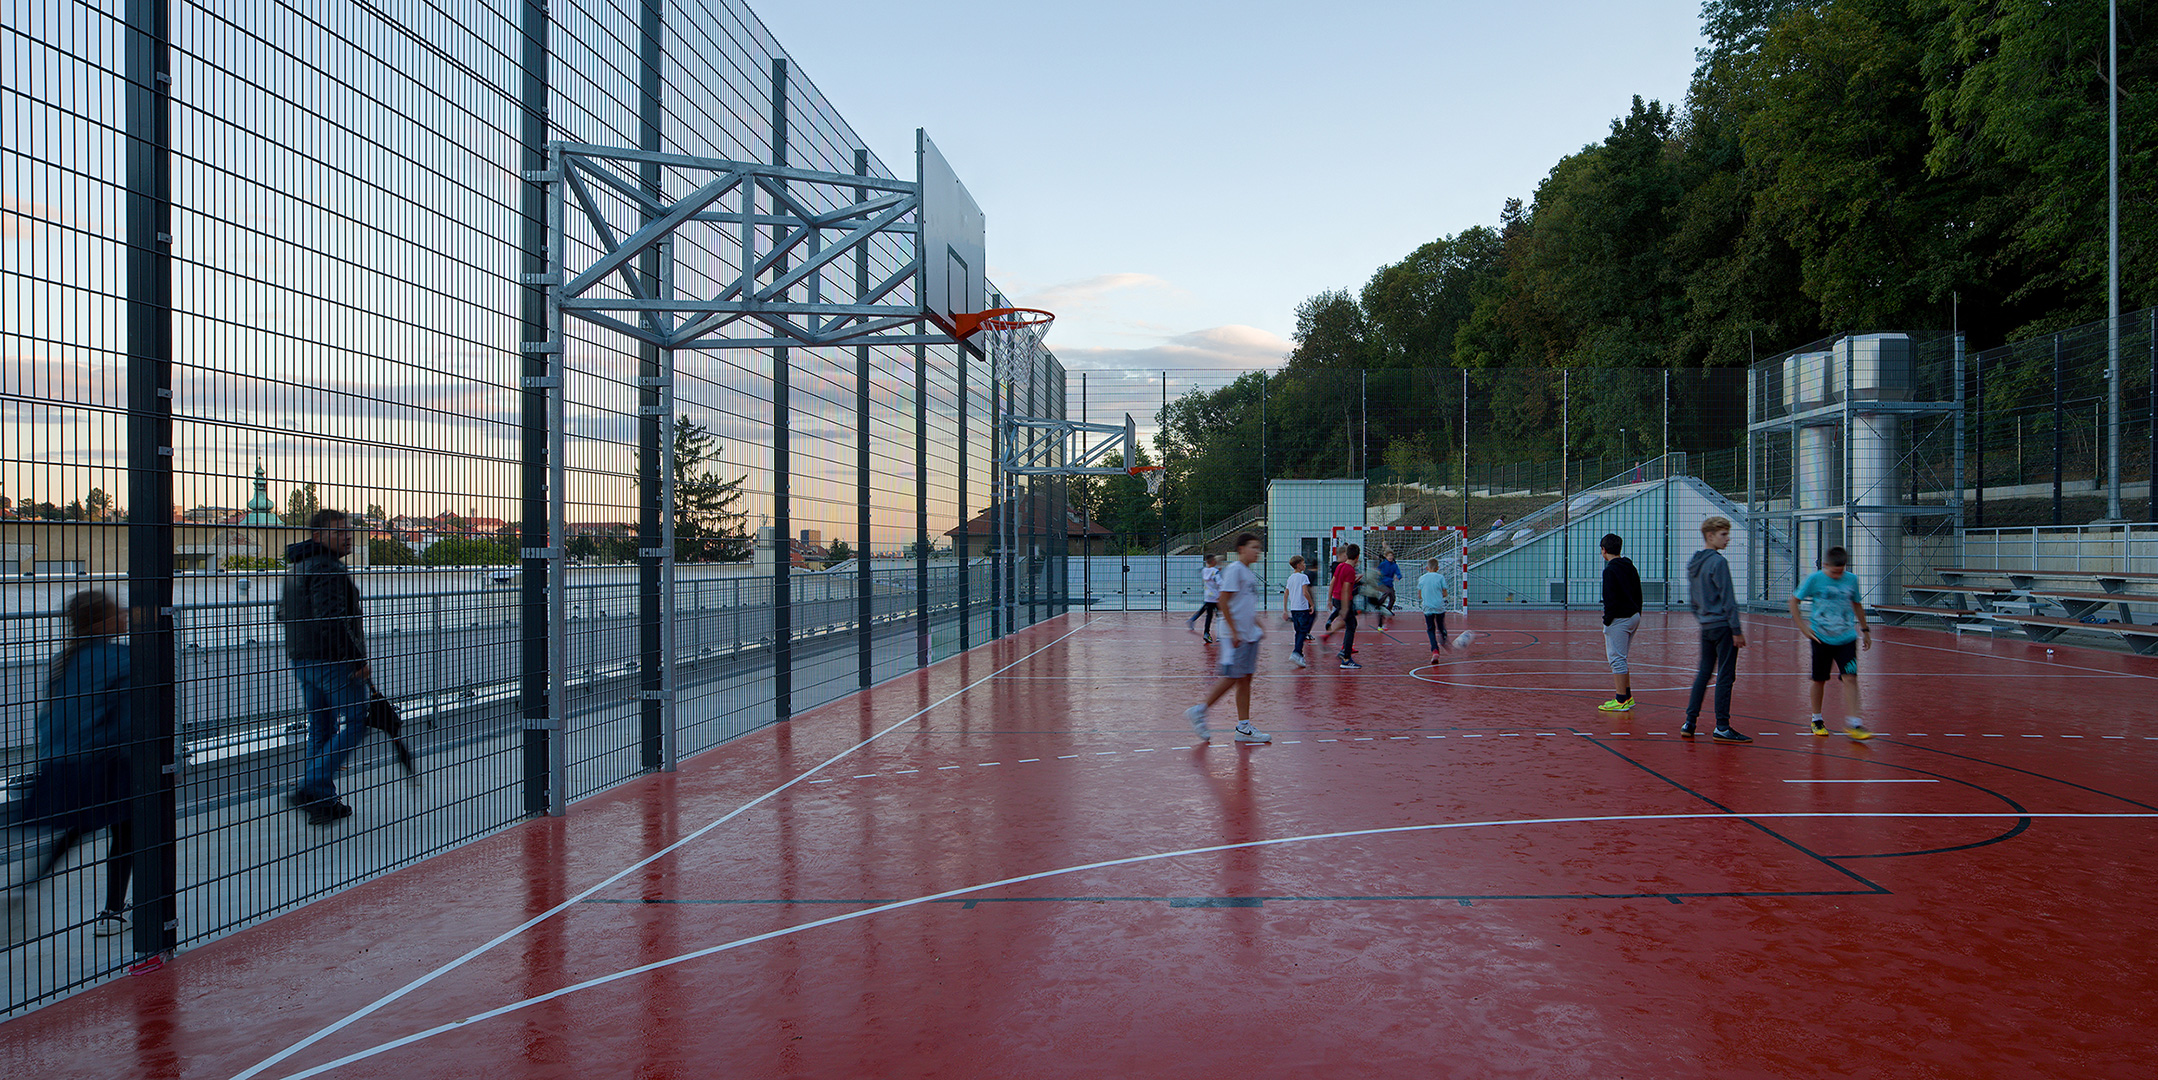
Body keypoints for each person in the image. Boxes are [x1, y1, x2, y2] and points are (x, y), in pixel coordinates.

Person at [7, 591, 135, 937]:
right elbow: (127, 719)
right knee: (127, 829)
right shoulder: (122, 659)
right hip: (105, 758)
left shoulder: (65, 660)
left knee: (78, 826)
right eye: (118, 611)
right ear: (103, 623)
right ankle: (113, 911)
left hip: (62, 758)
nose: (125, 614)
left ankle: (28, 885)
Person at [279, 508, 370, 824]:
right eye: (339, 532)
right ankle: (310, 786)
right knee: (359, 719)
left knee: (320, 726)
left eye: (349, 531)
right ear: (318, 536)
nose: (347, 537)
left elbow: (282, 614)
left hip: (302, 659)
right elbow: (332, 619)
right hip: (332, 661)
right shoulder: (327, 568)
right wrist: (357, 659)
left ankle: (322, 802)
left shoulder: (296, 567)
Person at [1185, 534, 1272, 744]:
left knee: (1245, 678)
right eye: (1253, 547)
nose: (1257, 551)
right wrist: (1234, 631)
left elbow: (1244, 604)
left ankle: (1243, 727)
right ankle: (1200, 710)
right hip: (1236, 635)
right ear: (1241, 549)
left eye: (1259, 547)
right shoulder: (1235, 570)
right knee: (1233, 676)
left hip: (1248, 634)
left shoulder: (1248, 573)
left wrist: (1257, 623)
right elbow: (1223, 600)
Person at [1790, 546, 1873, 739]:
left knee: (1850, 677)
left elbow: (1857, 604)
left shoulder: (1851, 580)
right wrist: (1803, 627)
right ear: (1825, 565)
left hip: (1846, 638)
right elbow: (1793, 601)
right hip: (1821, 637)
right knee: (1819, 679)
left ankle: (1855, 723)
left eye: (1841, 571)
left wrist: (1865, 630)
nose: (1837, 575)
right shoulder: (1814, 579)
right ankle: (1816, 719)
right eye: (1834, 572)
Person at [1682, 516, 1749, 742]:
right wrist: (1736, 630)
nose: (1727, 539)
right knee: (1726, 676)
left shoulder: (1695, 562)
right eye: (1723, 534)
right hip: (1723, 626)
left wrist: (1703, 618)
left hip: (1707, 626)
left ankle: (1690, 721)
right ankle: (1722, 726)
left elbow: (1693, 599)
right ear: (1710, 536)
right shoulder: (1718, 562)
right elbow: (1728, 599)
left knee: (1703, 673)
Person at [1599, 533, 1643, 712]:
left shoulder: (1610, 571)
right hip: (1633, 615)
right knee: (1622, 657)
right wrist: (1638, 612)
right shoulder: (1629, 566)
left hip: (1619, 618)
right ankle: (1627, 696)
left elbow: (1609, 599)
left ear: (1604, 550)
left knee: (1616, 659)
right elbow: (1638, 592)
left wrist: (1607, 621)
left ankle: (1620, 699)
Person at [1322, 544, 1362, 670]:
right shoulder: (1350, 570)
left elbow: (1333, 582)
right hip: (1344, 600)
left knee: (1351, 624)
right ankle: (1346, 659)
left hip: (1336, 599)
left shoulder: (1340, 566)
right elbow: (1345, 589)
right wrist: (1345, 608)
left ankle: (1344, 651)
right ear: (1357, 557)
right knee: (1351, 626)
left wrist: (1329, 599)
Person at [1283, 554, 1316, 668]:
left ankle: (1300, 655)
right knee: (1303, 632)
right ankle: (1296, 652)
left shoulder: (1290, 578)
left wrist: (1285, 610)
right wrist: (1312, 604)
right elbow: (1305, 592)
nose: (1305, 565)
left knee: (1298, 632)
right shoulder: (1303, 577)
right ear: (1298, 565)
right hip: (1302, 608)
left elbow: (1286, 594)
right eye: (1303, 563)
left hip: (1294, 609)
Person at [1417, 558, 1452, 661]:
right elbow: (1445, 593)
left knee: (1430, 629)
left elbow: (1419, 595)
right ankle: (1444, 639)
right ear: (1437, 568)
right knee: (1441, 625)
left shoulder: (1422, 578)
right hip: (1439, 606)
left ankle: (1435, 650)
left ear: (1427, 568)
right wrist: (1438, 594)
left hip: (1427, 606)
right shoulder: (1440, 577)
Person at [1187, 553, 1222, 643]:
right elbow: (1219, 582)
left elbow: (1210, 575)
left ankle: (1206, 633)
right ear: (1213, 561)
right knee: (1220, 616)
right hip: (1216, 597)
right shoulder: (1215, 571)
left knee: (1209, 616)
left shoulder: (1204, 571)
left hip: (1208, 596)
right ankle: (1220, 635)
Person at [1377, 547, 1401, 614]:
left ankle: (1388, 609)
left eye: (1391, 556)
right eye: (1389, 556)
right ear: (1386, 556)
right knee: (1387, 592)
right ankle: (1379, 604)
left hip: (1389, 583)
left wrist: (1398, 577)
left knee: (1393, 597)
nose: (1390, 557)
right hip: (1382, 582)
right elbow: (1378, 571)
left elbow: (1398, 573)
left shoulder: (1394, 565)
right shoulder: (1383, 564)